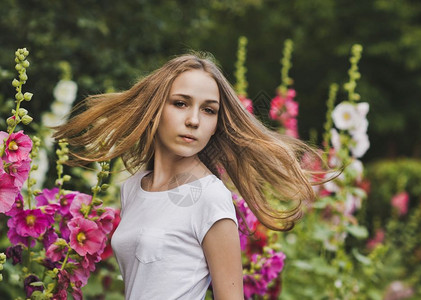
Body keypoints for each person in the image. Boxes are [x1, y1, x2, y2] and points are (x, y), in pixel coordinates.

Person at [53, 52, 325, 299]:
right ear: (155, 108)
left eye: (208, 110)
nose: (194, 120)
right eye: (181, 103)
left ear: (216, 125)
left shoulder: (210, 197)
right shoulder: (133, 188)